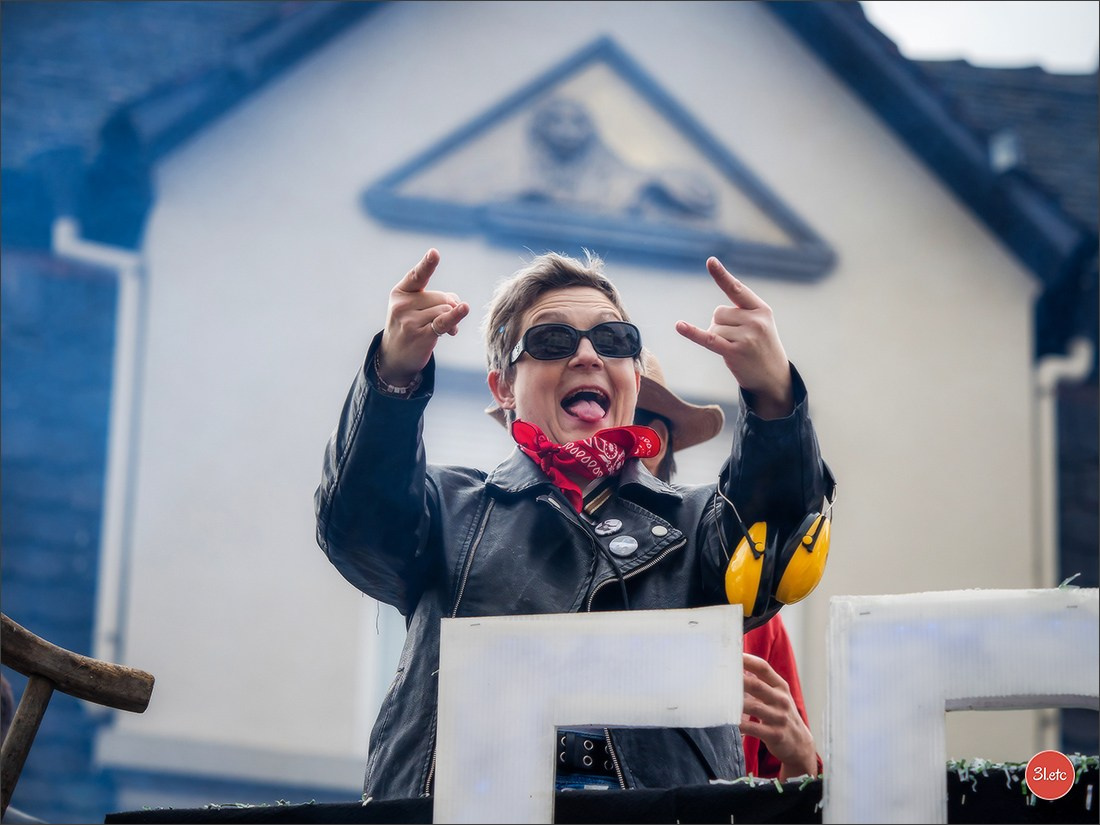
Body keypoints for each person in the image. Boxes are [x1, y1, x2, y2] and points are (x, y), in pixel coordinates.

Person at [314, 247, 831, 798]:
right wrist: (393, 376)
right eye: (551, 341)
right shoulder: (447, 511)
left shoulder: (699, 524)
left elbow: (776, 540)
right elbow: (360, 521)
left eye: (614, 341)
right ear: (503, 389)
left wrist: (774, 395)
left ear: (634, 374)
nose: (587, 355)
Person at [633, 350, 823, 781]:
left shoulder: (746, 614)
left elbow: (798, 788)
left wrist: (800, 754)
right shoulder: (507, 585)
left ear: (654, 444)